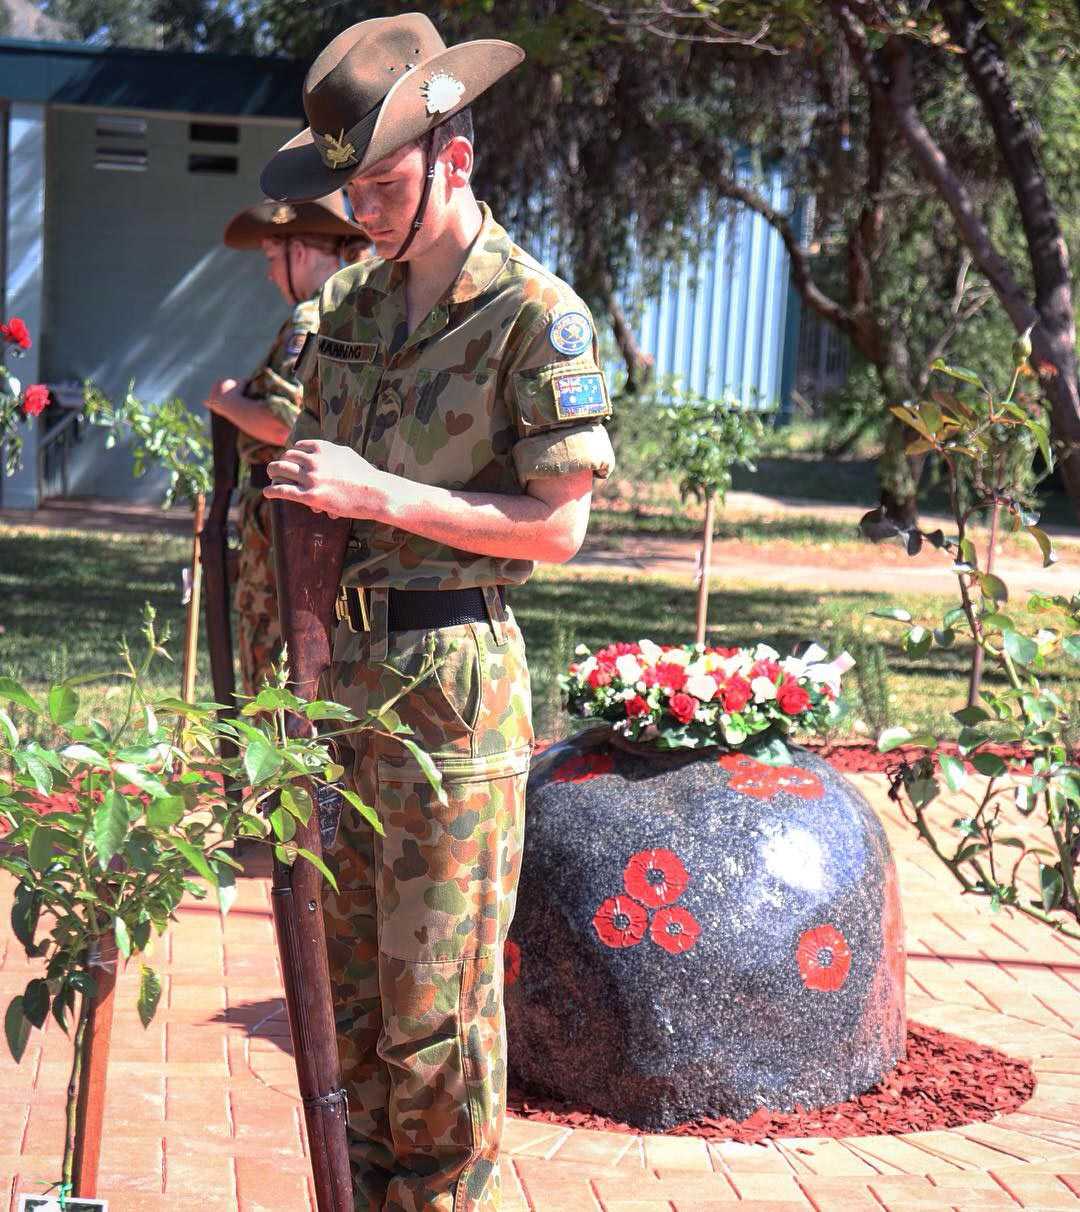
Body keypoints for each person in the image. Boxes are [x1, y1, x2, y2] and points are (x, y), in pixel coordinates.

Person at [260, 13, 615, 1211]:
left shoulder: (534, 314)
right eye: (347, 189)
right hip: (337, 676)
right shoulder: (351, 310)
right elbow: (301, 485)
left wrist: (383, 494)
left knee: (434, 1021)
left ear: (453, 159)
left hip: (450, 693)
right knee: (351, 1013)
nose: (359, 211)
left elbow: (559, 528)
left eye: (382, 184)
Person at [206, 194, 368, 697]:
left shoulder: (310, 315)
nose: (271, 274)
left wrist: (228, 401)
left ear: (299, 251)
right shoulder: (354, 309)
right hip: (312, 517)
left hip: (283, 518)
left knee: (271, 662)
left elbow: (283, 423)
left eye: (273, 258)